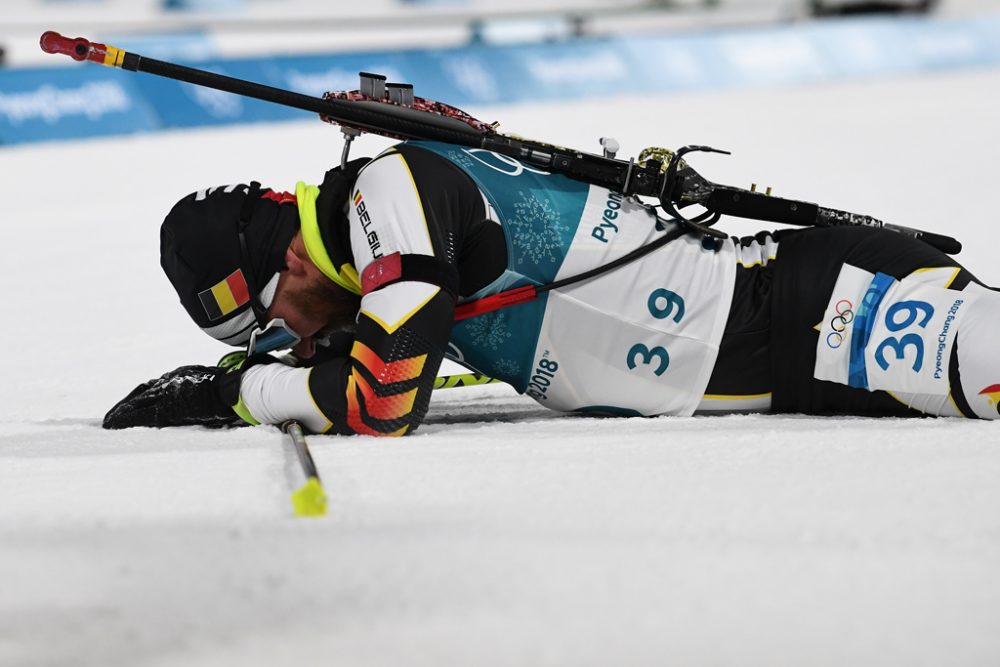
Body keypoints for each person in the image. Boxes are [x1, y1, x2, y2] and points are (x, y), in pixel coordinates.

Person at [102, 140, 1000, 433]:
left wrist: (246, 393)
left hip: (817, 310)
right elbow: (353, 359)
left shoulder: (389, 194)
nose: (289, 345)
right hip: (787, 361)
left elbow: (382, 401)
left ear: (290, 261)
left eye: (266, 326)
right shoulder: (371, 266)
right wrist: (277, 381)